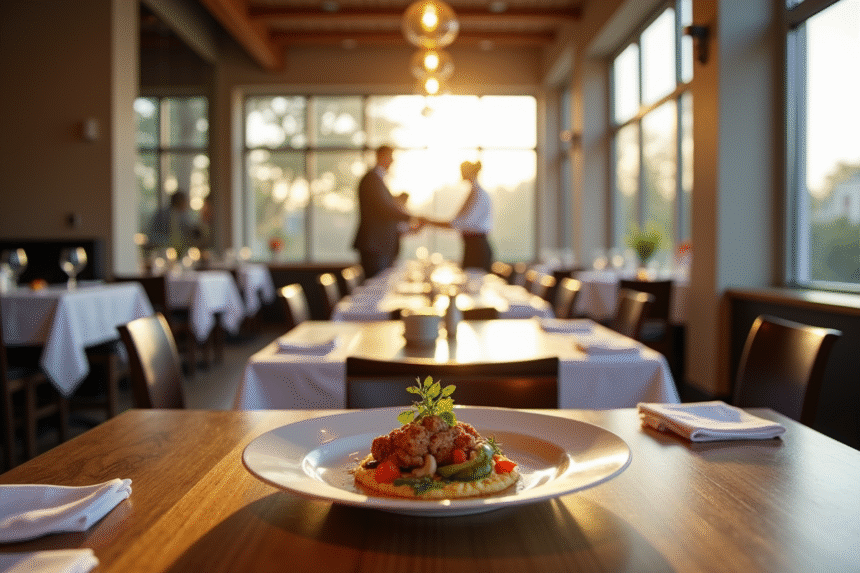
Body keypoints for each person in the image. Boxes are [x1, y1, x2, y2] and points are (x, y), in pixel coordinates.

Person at [352, 145, 421, 278]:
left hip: (380, 244)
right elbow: (385, 209)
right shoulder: (372, 179)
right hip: (375, 244)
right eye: (391, 157)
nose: (393, 161)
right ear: (382, 157)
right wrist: (413, 217)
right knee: (377, 288)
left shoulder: (378, 180)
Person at [425, 160, 494, 271]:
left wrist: (429, 221)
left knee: (474, 283)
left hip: (477, 248)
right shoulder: (474, 192)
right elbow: (458, 221)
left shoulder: (477, 193)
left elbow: (459, 223)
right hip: (472, 245)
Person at [147, 190, 196, 256]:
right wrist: (167, 242)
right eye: (185, 202)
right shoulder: (162, 215)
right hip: (164, 253)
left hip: (181, 254)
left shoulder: (184, 217)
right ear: (179, 201)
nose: (186, 205)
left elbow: (189, 234)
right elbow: (151, 235)